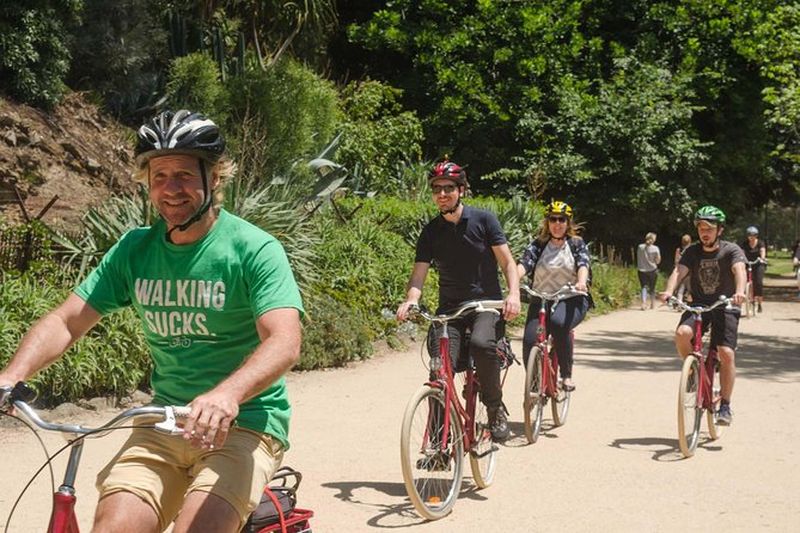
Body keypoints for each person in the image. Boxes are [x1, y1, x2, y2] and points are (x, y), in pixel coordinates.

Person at [0, 109, 304, 532]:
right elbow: (68, 320)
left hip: (243, 426)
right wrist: (11, 376)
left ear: (214, 177)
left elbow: (284, 340)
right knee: (114, 525)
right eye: (159, 177)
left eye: (183, 175)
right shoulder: (134, 249)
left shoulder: (253, 249)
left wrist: (227, 395)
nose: (170, 189)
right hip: (162, 424)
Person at [396, 159, 520, 442]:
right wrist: (411, 300)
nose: (441, 194)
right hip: (449, 311)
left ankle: (494, 408)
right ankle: (440, 442)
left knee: (480, 344)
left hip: (485, 305)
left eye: (448, 188)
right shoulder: (430, 232)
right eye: (436, 189)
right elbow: (418, 277)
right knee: (439, 370)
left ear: (461, 190)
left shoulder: (484, 220)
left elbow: (508, 263)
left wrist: (513, 295)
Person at [660, 205, 745, 426]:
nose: (704, 232)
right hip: (699, 303)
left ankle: (725, 404)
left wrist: (740, 292)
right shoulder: (692, 252)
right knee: (682, 334)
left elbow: (739, 271)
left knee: (726, 353)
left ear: (720, 230)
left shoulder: (731, 250)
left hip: (725, 304)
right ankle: (693, 373)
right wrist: (669, 291)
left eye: (709, 228)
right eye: (700, 228)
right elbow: (679, 271)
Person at [517, 200, 592, 392]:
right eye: (553, 219)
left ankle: (565, 375)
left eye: (561, 220)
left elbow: (583, 264)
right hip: (541, 298)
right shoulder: (539, 244)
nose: (557, 224)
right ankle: (535, 382)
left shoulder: (576, 244)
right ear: (547, 222)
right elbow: (525, 263)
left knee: (559, 324)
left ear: (568, 223)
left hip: (571, 298)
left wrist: (581, 282)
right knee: (529, 340)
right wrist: (514, 279)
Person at [739, 226, 767, 312]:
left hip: (758, 264)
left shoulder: (760, 243)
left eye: (753, 235)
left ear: (756, 235)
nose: (751, 237)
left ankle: (759, 303)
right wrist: (741, 258)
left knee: (758, 283)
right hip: (748, 263)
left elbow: (762, 251)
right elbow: (741, 252)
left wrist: (762, 258)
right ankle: (748, 296)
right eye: (749, 235)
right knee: (744, 279)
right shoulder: (744, 244)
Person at [636, 232, 661, 310]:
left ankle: (643, 303)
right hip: (652, 270)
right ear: (653, 240)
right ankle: (652, 304)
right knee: (652, 288)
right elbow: (658, 261)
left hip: (641, 269)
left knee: (644, 287)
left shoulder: (640, 247)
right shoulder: (656, 248)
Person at [674, 234, 692, 303]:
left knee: (680, 290)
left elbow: (676, 261)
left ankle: (679, 304)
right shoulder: (691, 250)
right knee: (691, 289)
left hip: (681, 272)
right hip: (690, 272)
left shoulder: (679, 250)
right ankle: (689, 301)